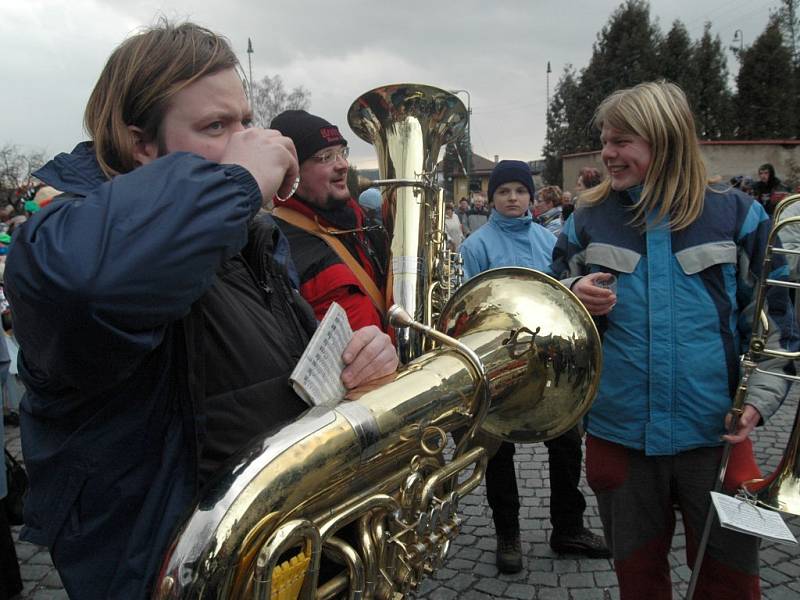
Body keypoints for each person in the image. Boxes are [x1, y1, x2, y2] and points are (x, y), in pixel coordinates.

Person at [4, 21, 397, 600]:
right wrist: (236, 180)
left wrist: (354, 364)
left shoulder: (251, 237)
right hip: (166, 572)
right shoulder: (59, 237)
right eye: (216, 127)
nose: (247, 141)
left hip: (281, 556)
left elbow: (275, 372)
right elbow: (92, 284)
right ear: (142, 144)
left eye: (245, 121)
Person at [552, 81, 796, 599]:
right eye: (605, 139)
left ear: (665, 141)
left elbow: (777, 320)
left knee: (730, 585)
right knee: (638, 582)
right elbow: (548, 312)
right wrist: (573, 293)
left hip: (716, 438)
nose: (607, 153)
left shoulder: (738, 215)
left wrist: (759, 402)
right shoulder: (587, 218)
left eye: (622, 141)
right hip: (620, 437)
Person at [460, 160, 610, 574]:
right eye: (504, 191)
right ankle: (507, 533)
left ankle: (568, 527)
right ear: (491, 198)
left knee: (565, 446)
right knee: (498, 451)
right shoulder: (475, 246)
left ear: (531, 195)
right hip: (499, 367)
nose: (513, 199)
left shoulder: (550, 240)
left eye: (520, 191)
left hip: (549, 365)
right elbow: (465, 310)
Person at [270, 110, 388, 331]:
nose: (343, 164)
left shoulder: (364, 224)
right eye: (325, 156)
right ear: (292, 173)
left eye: (342, 152)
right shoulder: (278, 246)